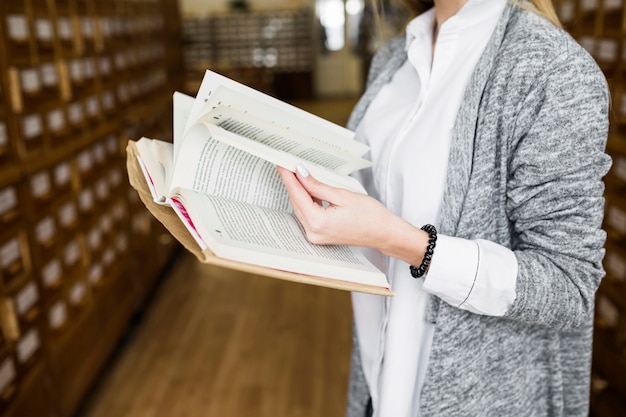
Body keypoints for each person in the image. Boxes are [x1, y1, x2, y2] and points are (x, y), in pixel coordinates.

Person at [278, 0, 612, 415]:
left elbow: (568, 286)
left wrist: (405, 242)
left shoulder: (552, 69)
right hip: (379, 386)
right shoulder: (393, 58)